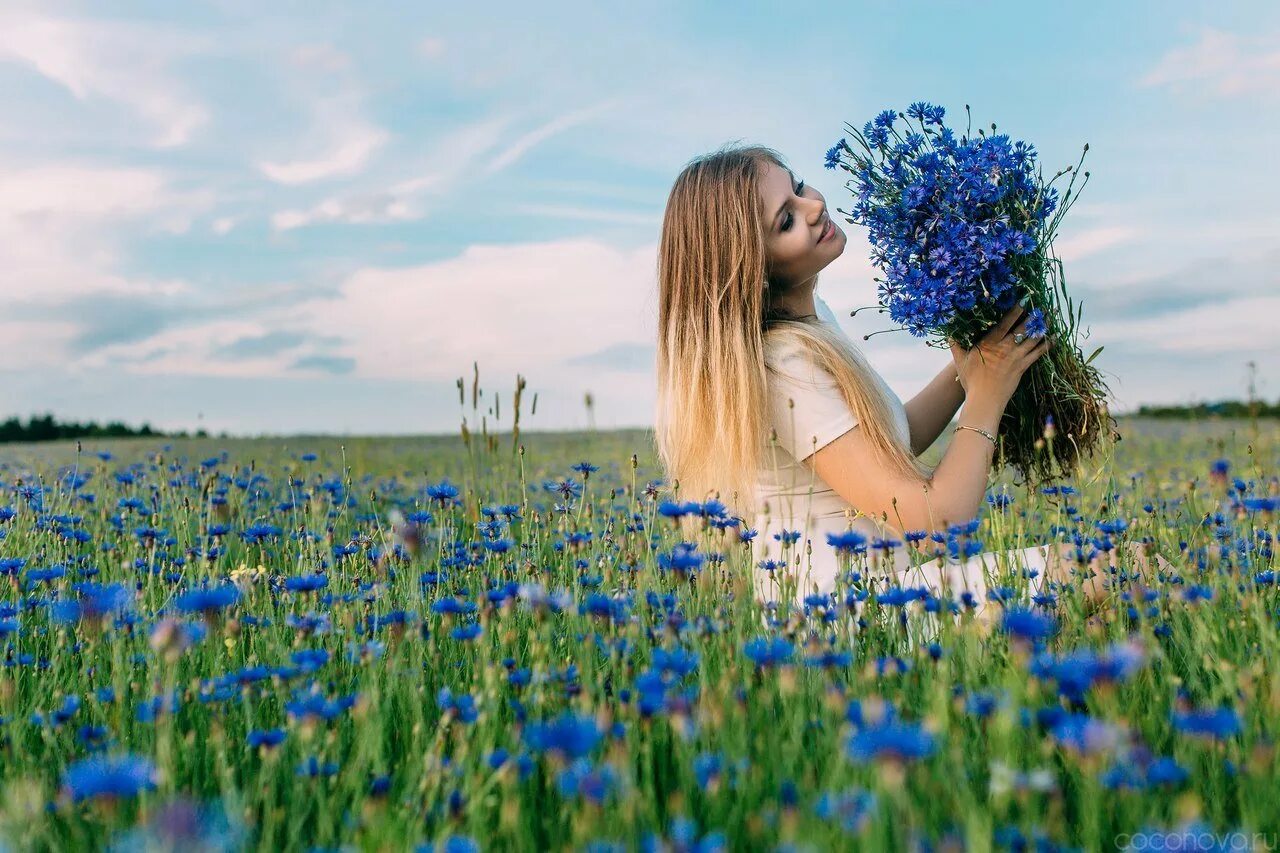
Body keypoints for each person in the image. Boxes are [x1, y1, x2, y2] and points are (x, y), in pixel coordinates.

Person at [653, 143, 1152, 620]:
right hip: (856, 618)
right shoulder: (783, 365)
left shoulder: (810, 325)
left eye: (800, 187)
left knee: (1108, 612)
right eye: (786, 219)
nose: (813, 207)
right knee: (1133, 568)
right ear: (752, 271)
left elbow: (892, 441)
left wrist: (971, 368)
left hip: (892, 591)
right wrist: (988, 394)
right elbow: (938, 525)